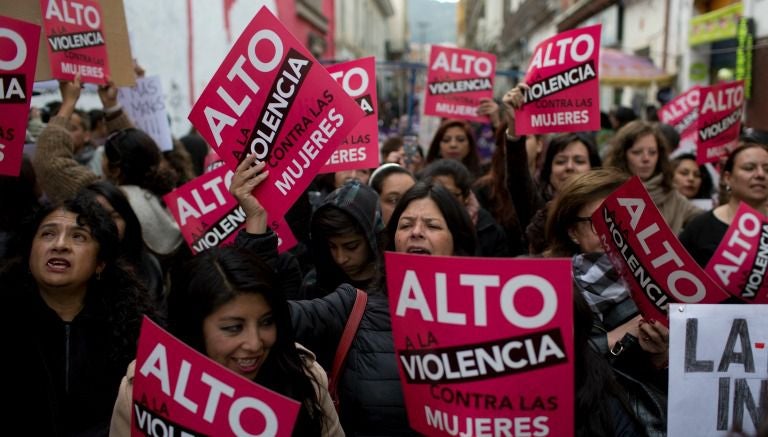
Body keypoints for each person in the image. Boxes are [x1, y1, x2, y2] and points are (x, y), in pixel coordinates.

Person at [229, 154, 478, 435]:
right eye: (406, 225)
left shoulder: (489, 312)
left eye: (432, 226)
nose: (416, 232)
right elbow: (269, 316)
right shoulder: (354, 306)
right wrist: (257, 222)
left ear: (458, 240)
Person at [109, 246, 343, 437]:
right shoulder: (145, 386)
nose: (254, 343)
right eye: (233, 328)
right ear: (195, 328)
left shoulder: (305, 377)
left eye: (266, 322)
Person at [1, 193, 155, 435]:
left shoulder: (134, 330)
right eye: (48, 234)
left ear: (100, 264)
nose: (60, 245)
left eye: (78, 236)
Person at [679, 141, 768, 267]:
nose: (760, 174)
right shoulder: (701, 227)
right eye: (749, 168)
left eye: (767, 169)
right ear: (728, 178)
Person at [81, 181, 165, 313]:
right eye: (98, 217)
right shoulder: (78, 273)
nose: (108, 224)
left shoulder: (150, 266)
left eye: (114, 216)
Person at [605, 120, 702, 233]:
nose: (646, 159)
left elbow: (707, 220)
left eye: (652, 152)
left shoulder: (672, 196)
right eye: (637, 152)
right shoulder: (607, 192)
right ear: (622, 156)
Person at [301, 180, 384, 299]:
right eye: (332, 246)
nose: (341, 259)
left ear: (371, 237)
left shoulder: (391, 285)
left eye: (351, 247)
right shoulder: (314, 284)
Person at [420, 158, 508, 256]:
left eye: (450, 194)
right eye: (435, 192)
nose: (442, 199)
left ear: (466, 197)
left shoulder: (489, 230)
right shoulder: (414, 225)